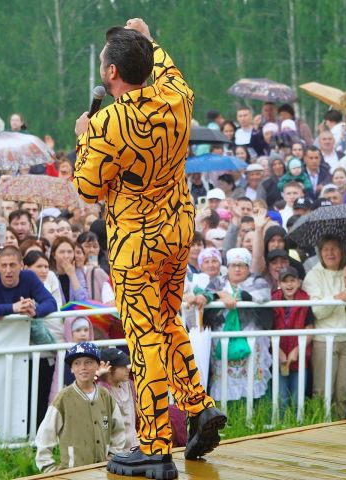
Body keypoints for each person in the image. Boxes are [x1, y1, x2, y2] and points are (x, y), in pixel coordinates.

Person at [73, 19, 222, 474]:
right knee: (167, 320)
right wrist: (149, 37)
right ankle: (199, 406)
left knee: (144, 336)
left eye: (103, 63)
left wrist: (84, 137)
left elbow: (87, 188)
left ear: (112, 72)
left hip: (136, 240)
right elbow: (166, 64)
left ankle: (155, 445)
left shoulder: (109, 122)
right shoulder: (177, 95)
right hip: (177, 228)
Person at [190, 248, 272, 403]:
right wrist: (219, 296)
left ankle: (252, 412)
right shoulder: (218, 282)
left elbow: (263, 295)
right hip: (222, 340)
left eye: (242, 265)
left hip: (251, 338)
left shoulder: (257, 281)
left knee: (251, 379)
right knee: (224, 380)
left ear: (248, 267)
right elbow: (207, 294)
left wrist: (237, 296)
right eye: (233, 265)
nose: (237, 269)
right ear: (227, 268)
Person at [35, 342, 126, 473]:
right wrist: (49, 469)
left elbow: (118, 430)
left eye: (88, 362)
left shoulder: (105, 396)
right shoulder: (63, 398)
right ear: (71, 368)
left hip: (103, 472)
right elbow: (45, 435)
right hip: (73, 473)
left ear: (98, 365)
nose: (83, 367)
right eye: (77, 363)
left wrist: (113, 457)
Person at [302, 235, 346, 419]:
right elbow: (318, 311)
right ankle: (320, 425)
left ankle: (340, 426)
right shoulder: (313, 275)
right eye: (325, 249)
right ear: (319, 252)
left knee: (344, 389)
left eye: (335, 248)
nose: (330, 253)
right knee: (322, 388)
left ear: (342, 251)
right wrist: (337, 297)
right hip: (324, 339)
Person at [271, 266, 313, 412]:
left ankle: (298, 427)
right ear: (279, 283)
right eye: (285, 281)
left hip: (300, 358)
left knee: (297, 398)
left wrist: (297, 351)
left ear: (299, 282)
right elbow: (269, 330)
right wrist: (279, 352)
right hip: (279, 358)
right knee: (281, 398)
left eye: (292, 280)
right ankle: (280, 429)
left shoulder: (306, 299)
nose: (289, 284)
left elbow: (310, 328)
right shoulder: (272, 299)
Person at [96, 348, 139, 450]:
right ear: (110, 368)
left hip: (135, 449)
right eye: (123, 366)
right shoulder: (99, 391)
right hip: (114, 454)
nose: (128, 368)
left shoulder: (130, 385)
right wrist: (98, 374)